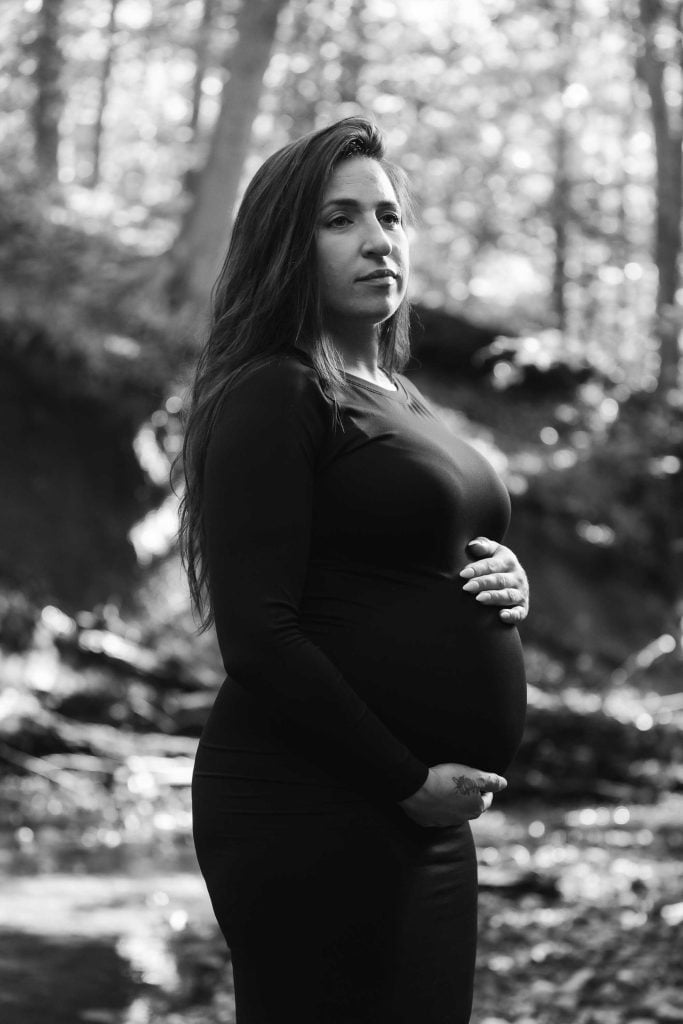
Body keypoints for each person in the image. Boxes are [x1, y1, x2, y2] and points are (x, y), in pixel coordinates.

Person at [181, 116, 529, 1024]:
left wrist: (505, 583)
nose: (378, 240)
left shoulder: (396, 395)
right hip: (311, 803)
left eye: (388, 215)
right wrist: (405, 782)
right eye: (339, 220)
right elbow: (259, 634)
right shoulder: (274, 388)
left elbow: (410, 551)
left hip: (419, 817)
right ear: (282, 248)